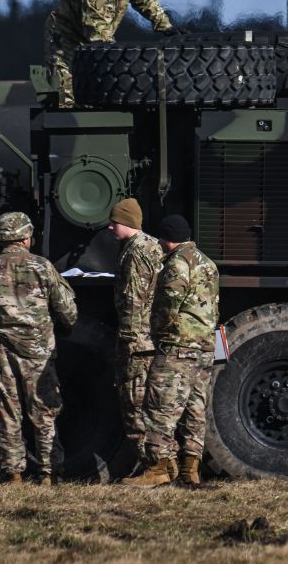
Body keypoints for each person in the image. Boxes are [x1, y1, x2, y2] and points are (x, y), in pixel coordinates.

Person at [0, 212, 78, 485]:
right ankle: (49, 472)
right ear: (26, 237)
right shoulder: (43, 267)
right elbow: (67, 310)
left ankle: (13, 473)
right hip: (38, 352)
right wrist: (65, 329)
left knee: (7, 411)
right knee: (44, 411)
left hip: (1, 352)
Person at [123, 215, 219, 488]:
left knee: (159, 408)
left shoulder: (177, 264)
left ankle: (157, 468)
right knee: (195, 409)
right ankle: (190, 470)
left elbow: (168, 305)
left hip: (177, 346)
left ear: (167, 239)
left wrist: (157, 333)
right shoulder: (208, 263)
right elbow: (214, 305)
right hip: (203, 347)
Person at [44, 0, 183, 107]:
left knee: (94, 95)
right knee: (66, 93)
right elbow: (96, 26)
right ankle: (68, 125)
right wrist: (114, 54)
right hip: (67, 36)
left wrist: (166, 26)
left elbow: (147, 2)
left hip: (97, 42)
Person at [106, 198, 165, 465]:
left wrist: (129, 339)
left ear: (127, 222)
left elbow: (134, 301)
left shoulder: (135, 252)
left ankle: (150, 464)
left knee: (135, 402)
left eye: (114, 222)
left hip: (138, 340)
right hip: (151, 336)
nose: (110, 228)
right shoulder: (153, 246)